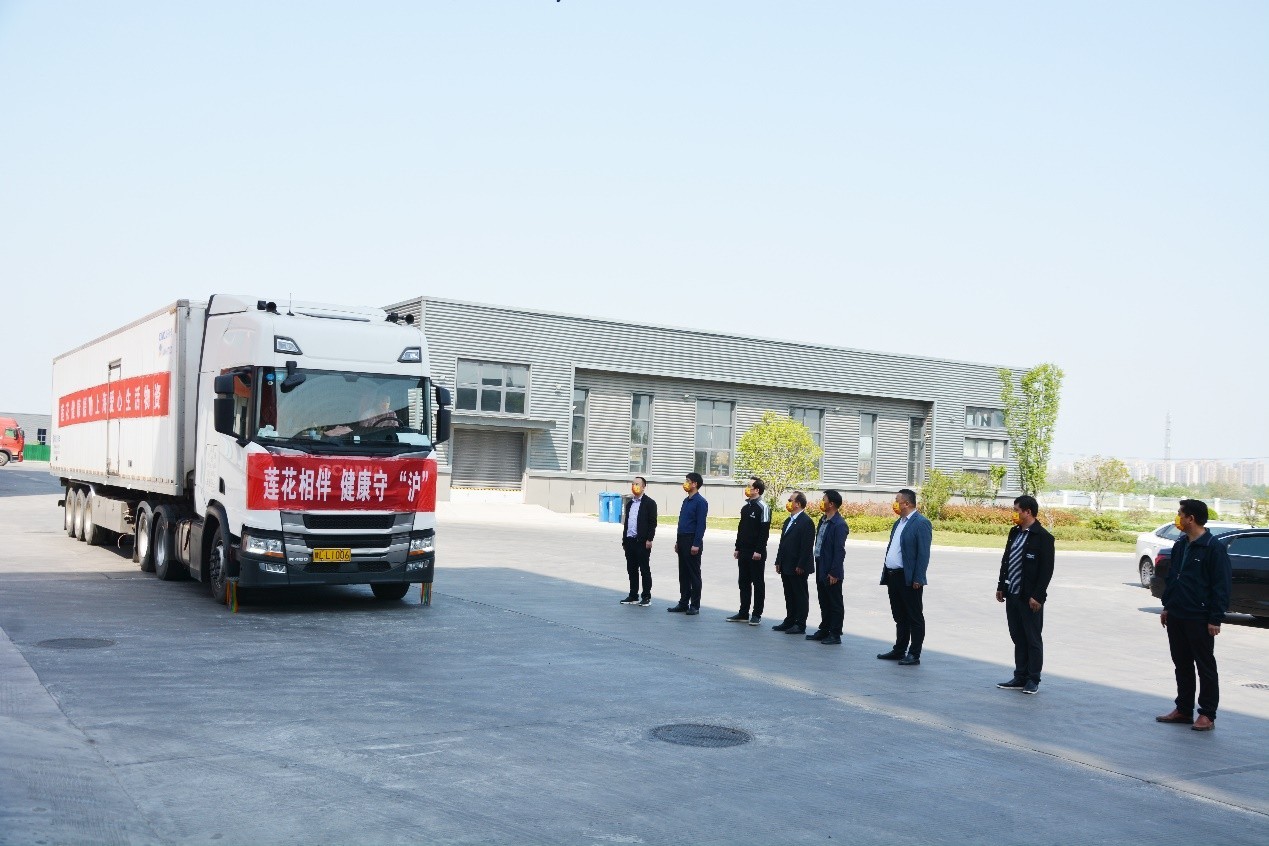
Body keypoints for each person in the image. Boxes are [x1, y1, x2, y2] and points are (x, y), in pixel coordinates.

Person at [1156, 499, 1233, 732]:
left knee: (1205, 665)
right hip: (1177, 613)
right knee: (1182, 664)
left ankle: (1207, 714)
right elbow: (1173, 578)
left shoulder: (1212, 547)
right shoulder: (1181, 544)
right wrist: (1167, 605)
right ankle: (1183, 709)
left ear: (1191, 518)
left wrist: (1215, 618)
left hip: (1199, 616)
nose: (1177, 517)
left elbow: (1221, 585)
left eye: (1180, 514)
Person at [995, 495, 1055, 694]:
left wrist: (1038, 596)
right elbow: (1007, 561)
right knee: (1018, 637)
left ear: (1028, 512)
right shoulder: (1014, 533)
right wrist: (1000, 585)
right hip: (1012, 594)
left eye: (1017, 510)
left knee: (1032, 638)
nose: (1015, 513)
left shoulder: (1043, 537)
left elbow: (1046, 571)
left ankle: (1033, 679)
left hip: (1029, 598)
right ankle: (1019, 676)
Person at [877, 488, 932, 666]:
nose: (894, 503)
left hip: (909, 578)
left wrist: (918, 577)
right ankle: (899, 649)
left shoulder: (921, 523)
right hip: (893, 576)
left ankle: (914, 653)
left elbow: (923, 554)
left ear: (907, 503)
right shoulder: (898, 523)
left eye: (897, 500)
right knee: (899, 616)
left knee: (914, 616)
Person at [728, 477, 771, 625]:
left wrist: (758, 550)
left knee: (757, 582)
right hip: (744, 551)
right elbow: (741, 529)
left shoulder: (763, 507)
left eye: (749, 486)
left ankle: (757, 614)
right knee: (743, 582)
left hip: (756, 553)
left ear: (757, 490)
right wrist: (737, 547)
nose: (747, 488)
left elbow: (764, 531)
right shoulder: (746, 507)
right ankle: (743, 612)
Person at [807, 490, 849, 645]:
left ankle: (835, 633)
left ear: (831, 504)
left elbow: (839, 550)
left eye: (823, 499)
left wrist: (834, 572)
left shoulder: (839, 524)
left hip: (831, 568)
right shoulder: (823, 520)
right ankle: (824, 629)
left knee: (834, 602)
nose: (821, 502)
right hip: (820, 563)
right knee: (823, 599)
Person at [771, 491, 814, 634]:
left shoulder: (806, 521)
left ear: (798, 504)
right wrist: (778, 561)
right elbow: (783, 543)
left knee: (800, 594)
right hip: (786, 564)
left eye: (791, 500)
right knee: (789, 594)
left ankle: (800, 624)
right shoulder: (788, 520)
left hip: (797, 566)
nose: (788, 502)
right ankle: (789, 620)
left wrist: (801, 565)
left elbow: (806, 546)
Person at [669, 472, 708, 616]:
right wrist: (678, 541)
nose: (685, 483)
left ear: (695, 484)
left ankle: (695, 605)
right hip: (682, 539)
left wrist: (696, 543)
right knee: (683, 573)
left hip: (692, 540)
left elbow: (701, 525)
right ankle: (683, 602)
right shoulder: (686, 501)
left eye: (688, 481)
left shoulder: (700, 502)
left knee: (693, 573)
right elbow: (682, 523)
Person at [619, 476, 657, 607]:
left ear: (643, 487)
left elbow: (652, 523)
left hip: (642, 542)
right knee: (631, 569)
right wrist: (624, 540)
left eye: (637, 484)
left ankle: (646, 596)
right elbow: (627, 523)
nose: (634, 486)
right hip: (630, 541)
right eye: (633, 483)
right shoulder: (630, 503)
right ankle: (633, 595)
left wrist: (649, 539)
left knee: (644, 569)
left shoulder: (649, 503)